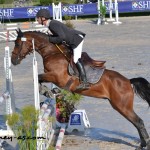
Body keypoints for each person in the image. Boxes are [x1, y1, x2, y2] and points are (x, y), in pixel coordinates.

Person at [36, 9, 90, 90]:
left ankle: (85, 82)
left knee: (76, 59)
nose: (37, 19)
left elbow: (62, 37)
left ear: (43, 18)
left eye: (38, 18)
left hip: (76, 39)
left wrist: (50, 39)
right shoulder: (51, 24)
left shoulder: (52, 24)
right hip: (73, 39)